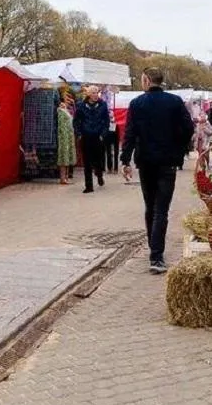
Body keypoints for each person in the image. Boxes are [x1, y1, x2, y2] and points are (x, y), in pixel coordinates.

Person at [120, 67, 194, 273]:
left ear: (146, 80)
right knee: (161, 209)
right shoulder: (175, 102)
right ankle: (156, 256)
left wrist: (125, 159)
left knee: (150, 206)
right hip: (167, 161)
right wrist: (178, 147)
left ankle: (154, 247)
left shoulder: (137, 104)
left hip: (145, 161)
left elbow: (130, 134)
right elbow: (188, 128)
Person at [73, 85, 110, 193]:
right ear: (88, 94)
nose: (96, 95)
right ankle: (89, 186)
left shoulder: (102, 105)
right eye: (93, 93)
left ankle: (99, 174)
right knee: (87, 161)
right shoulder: (81, 106)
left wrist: (103, 134)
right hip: (86, 136)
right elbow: (76, 121)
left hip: (98, 136)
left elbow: (106, 121)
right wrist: (79, 133)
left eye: (97, 92)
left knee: (98, 159)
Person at [56, 97, 76, 185]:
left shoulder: (67, 111)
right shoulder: (60, 111)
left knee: (68, 157)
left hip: (69, 136)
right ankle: (62, 178)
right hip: (64, 137)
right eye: (66, 100)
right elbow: (61, 125)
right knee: (64, 157)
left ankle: (66, 177)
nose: (68, 102)